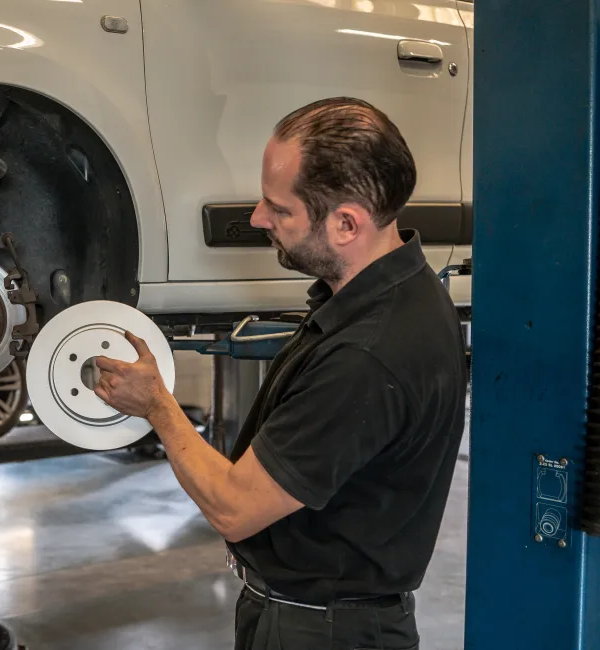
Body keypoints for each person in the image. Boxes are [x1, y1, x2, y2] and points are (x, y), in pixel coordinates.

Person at [93, 97, 468, 650]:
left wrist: (157, 407)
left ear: (346, 223)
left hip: (324, 632)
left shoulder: (367, 355)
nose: (257, 219)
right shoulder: (394, 293)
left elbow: (234, 507)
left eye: (280, 208)